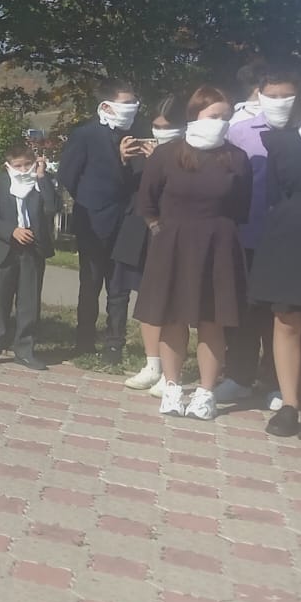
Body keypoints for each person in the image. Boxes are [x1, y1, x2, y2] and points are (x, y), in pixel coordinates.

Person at [135, 86, 252, 422]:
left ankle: (205, 392)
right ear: (195, 115)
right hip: (172, 245)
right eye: (214, 115)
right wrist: (160, 231)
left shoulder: (237, 158)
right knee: (172, 318)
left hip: (218, 247)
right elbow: (146, 202)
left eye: (226, 116)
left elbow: (241, 206)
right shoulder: (166, 154)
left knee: (211, 321)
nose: (221, 121)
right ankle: (172, 387)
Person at [220, 68, 300, 405]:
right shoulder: (240, 132)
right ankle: (238, 376)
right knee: (244, 309)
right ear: (260, 95)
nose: (279, 102)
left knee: (284, 314)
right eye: (272, 96)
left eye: (287, 96)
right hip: (249, 235)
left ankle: (275, 382)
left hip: (294, 241)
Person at [249, 75, 301, 441]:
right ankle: (289, 404)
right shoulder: (279, 142)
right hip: (288, 238)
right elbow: (274, 195)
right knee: (287, 320)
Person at [60, 80, 144, 363]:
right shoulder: (86, 134)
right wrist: (89, 199)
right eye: (126, 103)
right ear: (107, 106)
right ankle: (84, 341)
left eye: (134, 103)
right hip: (93, 222)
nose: (133, 107)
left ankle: (114, 345)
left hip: (126, 222)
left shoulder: (137, 135)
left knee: (119, 287)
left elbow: (142, 179)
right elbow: (68, 175)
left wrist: (128, 161)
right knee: (90, 283)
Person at [111, 96, 185, 394]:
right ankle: (152, 363)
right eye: (156, 126)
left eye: (167, 127)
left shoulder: (189, 153)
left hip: (170, 232)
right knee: (145, 297)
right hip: (139, 229)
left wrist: (160, 162)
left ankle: (171, 369)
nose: (160, 132)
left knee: (170, 301)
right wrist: (122, 160)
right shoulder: (143, 151)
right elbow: (123, 188)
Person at [0, 142, 58, 371]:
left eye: (27, 165)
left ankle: (24, 349)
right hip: (5, 250)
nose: (23, 170)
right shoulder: (0, 183)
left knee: (29, 304)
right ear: (8, 166)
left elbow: (51, 208)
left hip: (33, 250)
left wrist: (41, 177)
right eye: (18, 166)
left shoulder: (42, 182)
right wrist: (12, 231)